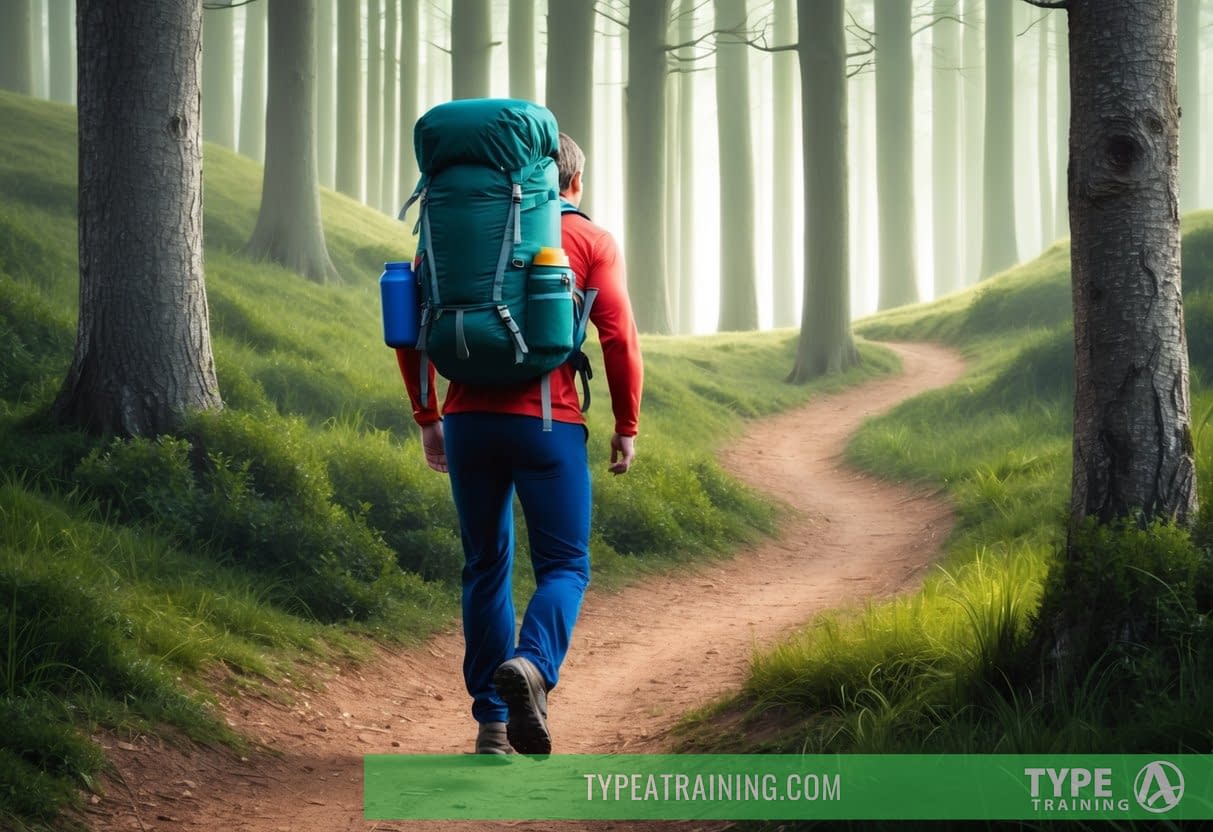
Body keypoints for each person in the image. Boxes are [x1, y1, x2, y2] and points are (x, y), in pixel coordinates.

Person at [395, 133, 644, 755]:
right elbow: (618, 339)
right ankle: (532, 666)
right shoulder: (589, 240)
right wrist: (626, 425)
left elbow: (408, 328)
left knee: (485, 567)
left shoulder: (454, 234)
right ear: (573, 183)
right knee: (564, 565)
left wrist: (428, 414)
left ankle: (492, 725)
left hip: (469, 421)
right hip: (547, 423)